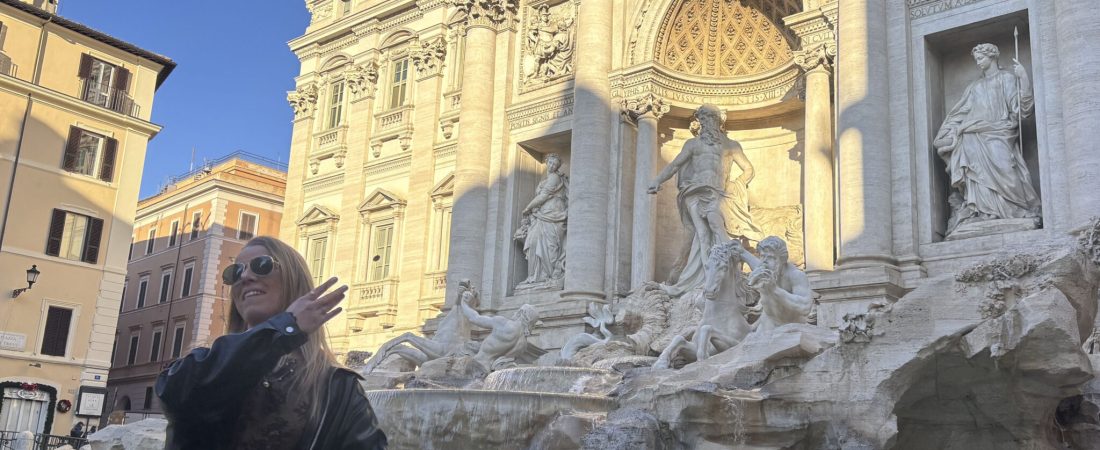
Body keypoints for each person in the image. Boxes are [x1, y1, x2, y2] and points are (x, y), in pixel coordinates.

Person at [156, 236, 386, 449]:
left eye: (262, 265)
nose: (245, 277)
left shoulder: (338, 387)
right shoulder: (204, 363)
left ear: (293, 280)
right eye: (235, 272)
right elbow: (173, 394)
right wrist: (286, 328)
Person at [648, 104, 761, 296]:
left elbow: (748, 169)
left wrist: (736, 184)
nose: (706, 123)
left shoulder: (730, 145)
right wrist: (658, 180)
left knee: (717, 226)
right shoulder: (692, 145)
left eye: (710, 119)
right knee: (701, 233)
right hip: (694, 191)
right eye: (703, 120)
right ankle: (706, 275)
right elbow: (675, 165)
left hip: (718, 192)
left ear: (718, 122)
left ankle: (730, 267)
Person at [933, 43, 1040, 234]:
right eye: (976, 59)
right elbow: (960, 113)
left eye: (981, 58)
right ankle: (983, 212)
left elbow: (1021, 110)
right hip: (973, 136)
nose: (978, 62)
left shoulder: (1007, 79)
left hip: (1000, 133)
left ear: (992, 57)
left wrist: (1023, 78)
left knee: (1007, 169)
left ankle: (1018, 210)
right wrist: (948, 132)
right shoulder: (975, 87)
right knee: (977, 175)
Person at [736, 237, 813, 332]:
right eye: (762, 256)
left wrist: (774, 289)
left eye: (770, 257)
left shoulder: (795, 275)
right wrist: (740, 251)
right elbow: (750, 259)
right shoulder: (767, 271)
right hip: (766, 326)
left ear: (783, 259)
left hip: (790, 328)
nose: (764, 261)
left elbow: (805, 307)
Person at [515, 153, 568, 289]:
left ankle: (548, 276)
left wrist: (528, 207)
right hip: (541, 215)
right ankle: (535, 276)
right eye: (550, 163)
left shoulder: (555, 178)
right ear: (546, 162)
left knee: (551, 246)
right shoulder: (545, 180)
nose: (552, 166)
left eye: (555, 164)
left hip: (553, 214)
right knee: (533, 242)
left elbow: (543, 196)